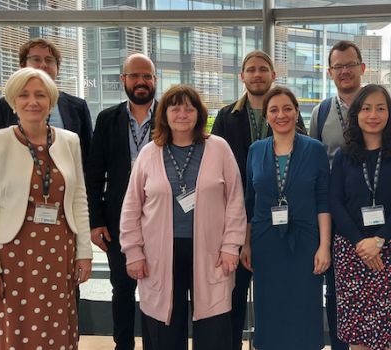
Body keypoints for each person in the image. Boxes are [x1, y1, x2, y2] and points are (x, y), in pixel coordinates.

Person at [119, 84, 246, 349]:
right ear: (164, 114)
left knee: (213, 326)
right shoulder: (149, 153)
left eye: (189, 108)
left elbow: (235, 200)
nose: (182, 114)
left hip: (211, 252)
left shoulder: (219, 148)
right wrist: (134, 252)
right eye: (175, 108)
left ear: (199, 114)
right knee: (163, 327)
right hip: (160, 254)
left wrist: (231, 246)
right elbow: (131, 207)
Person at [0, 67, 92, 349]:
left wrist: (84, 253)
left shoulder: (69, 140)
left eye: (40, 95)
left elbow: (79, 199)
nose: (32, 102)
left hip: (60, 250)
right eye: (24, 95)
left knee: (57, 324)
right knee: (16, 324)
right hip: (13, 254)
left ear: (51, 100)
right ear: (13, 101)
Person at [212, 50, 305, 350]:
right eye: (250, 69)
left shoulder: (289, 113)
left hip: (278, 220)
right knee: (234, 296)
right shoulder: (226, 117)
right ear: (242, 76)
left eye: (263, 69)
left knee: (276, 295)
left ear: (273, 75)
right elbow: (213, 168)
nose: (257, 74)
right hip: (234, 216)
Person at [243, 86, 330, 350]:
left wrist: (324, 246)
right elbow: (249, 201)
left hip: (306, 243)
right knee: (270, 307)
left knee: (304, 307)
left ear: (296, 112)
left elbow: (323, 202)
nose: (281, 115)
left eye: (287, 108)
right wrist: (246, 244)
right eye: (274, 110)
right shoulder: (255, 150)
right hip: (265, 242)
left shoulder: (315, 149)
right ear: (266, 116)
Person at [330, 84, 391, 350]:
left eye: (380, 108)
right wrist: (360, 242)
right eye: (366, 108)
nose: (373, 114)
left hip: (387, 247)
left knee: (382, 327)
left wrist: (378, 240)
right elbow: (335, 202)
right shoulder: (344, 155)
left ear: (389, 114)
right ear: (356, 114)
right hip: (350, 248)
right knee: (356, 331)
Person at [86, 53, 157, 350]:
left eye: (147, 76)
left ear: (155, 81)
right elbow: (93, 174)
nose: (141, 82)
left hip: (159, 217)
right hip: (117, 220)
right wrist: (96, 221)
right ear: (123, 80)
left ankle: (159, 343)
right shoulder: (107, 119)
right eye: (134, 76)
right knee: (122, 287)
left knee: (159, 288)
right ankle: (123, 345)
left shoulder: (170, 115)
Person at [309, 40, 367, 350]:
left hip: (371, 214)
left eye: (350, 64)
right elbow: (314, 163)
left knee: (370, 286)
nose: (345, 71)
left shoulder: (378, 106)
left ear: (362, 67)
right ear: (330, 72)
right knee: (334, 289)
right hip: (333, 213)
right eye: (338, 66)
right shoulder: (321, 112)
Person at [0, 38, 93, 171]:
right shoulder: (6, 104)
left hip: (65, 183)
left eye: (49, 60)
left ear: (58, 68)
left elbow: (88, 155)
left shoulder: (78, 106)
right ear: (23, 65)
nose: (43, 65)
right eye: (36, 59)